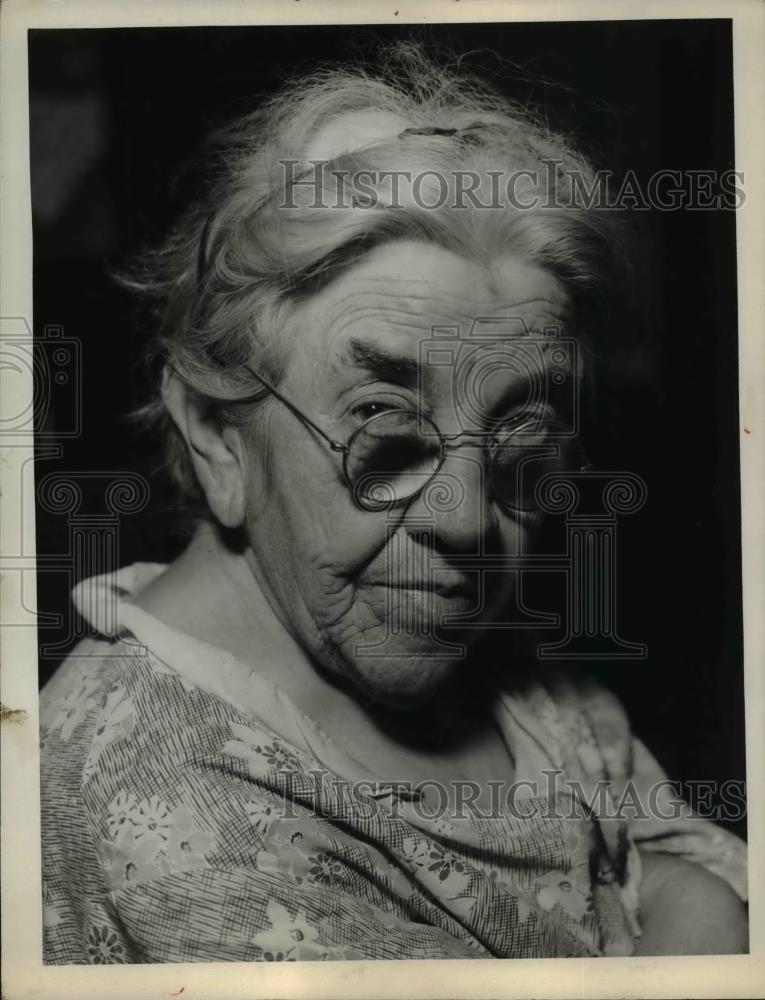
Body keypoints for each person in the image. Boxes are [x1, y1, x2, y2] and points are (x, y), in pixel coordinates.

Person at [39, 44, 747, 963]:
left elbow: (687, 856)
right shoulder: (164, 804)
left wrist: (692, 895)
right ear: (218, 433)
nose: (464, 521)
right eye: (388, 439)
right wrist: (692, 918)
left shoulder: (472, 650)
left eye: (520, 449)